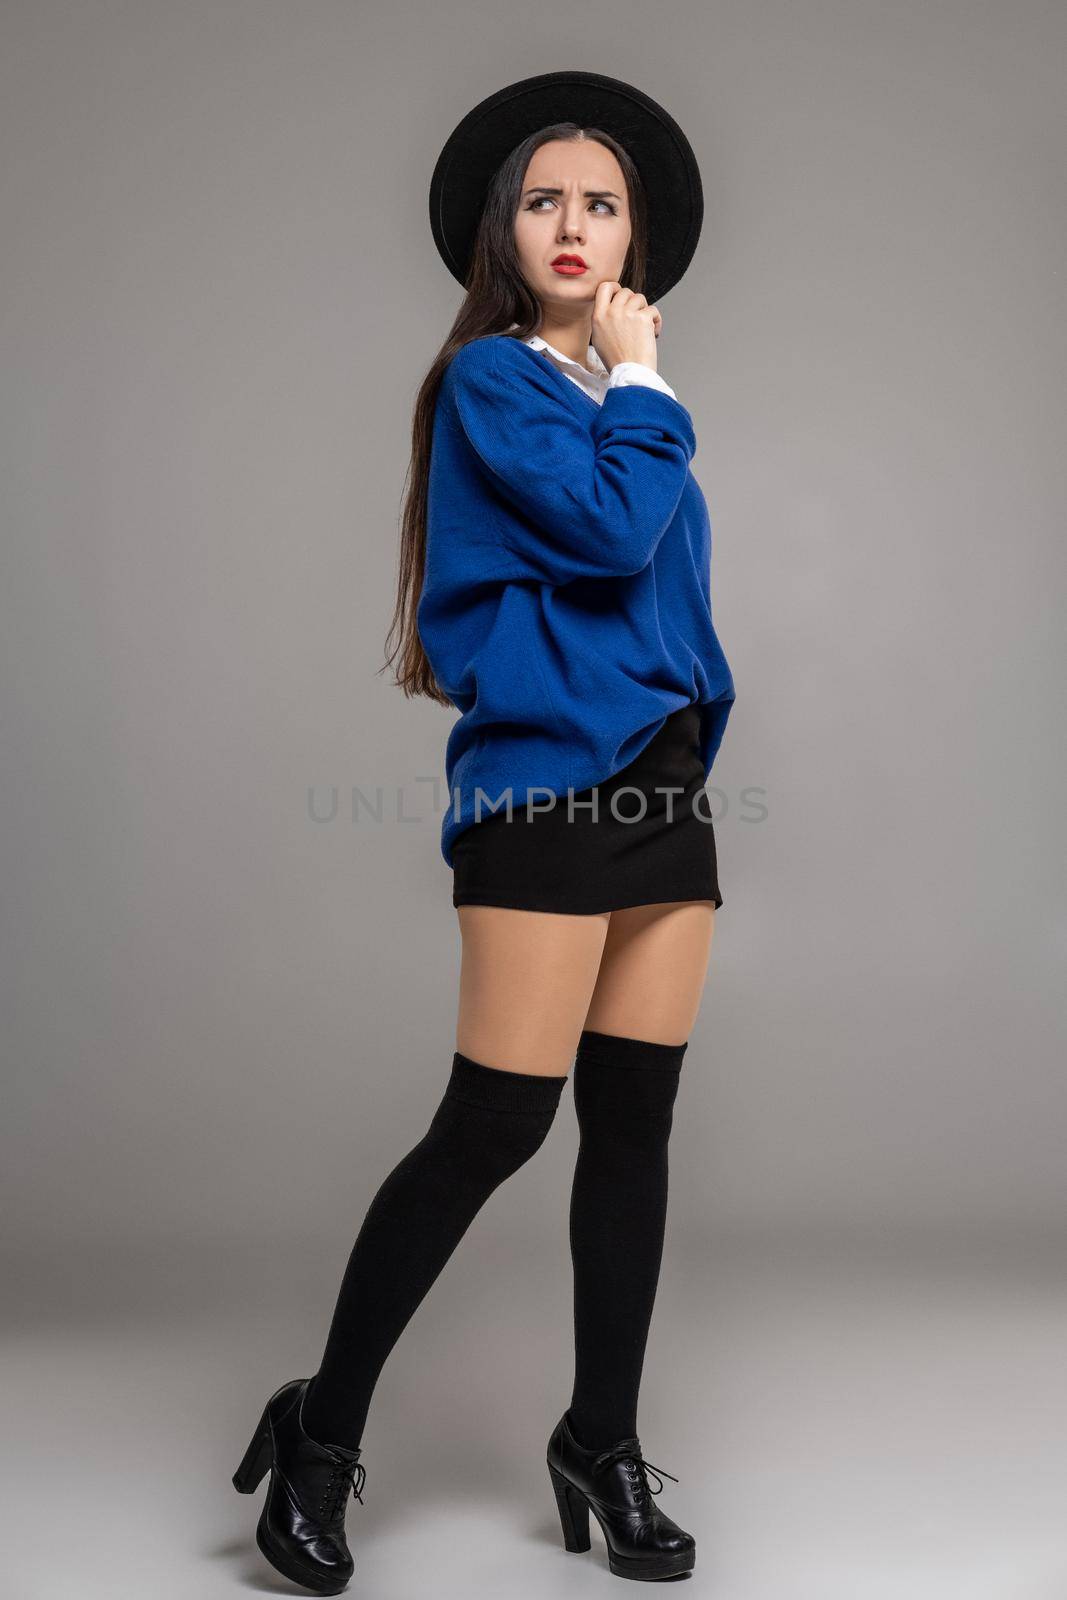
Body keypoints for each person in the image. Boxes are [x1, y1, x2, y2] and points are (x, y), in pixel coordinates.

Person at [231, 70, 735, 1594]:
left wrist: (693, 730)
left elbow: (671, 601)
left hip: (662, 794)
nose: (572, 223)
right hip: (541, 796)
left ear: (633, 231)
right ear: (500, 232)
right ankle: (319, 1434)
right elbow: (607, 533)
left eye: (602, 201)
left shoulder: (617, 407)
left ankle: (601, 1435)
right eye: (544, 199)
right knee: (495, 1127)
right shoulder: (499, 383)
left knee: (634, 1130)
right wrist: (645, 386)